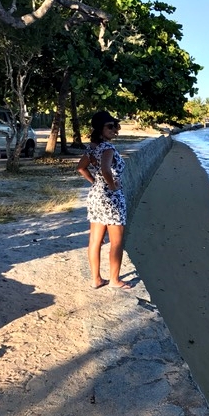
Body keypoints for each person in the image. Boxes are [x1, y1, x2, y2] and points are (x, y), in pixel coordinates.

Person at [77, 110, 131, 290]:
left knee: (95, 240)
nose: (114, 129)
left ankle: (96, 279)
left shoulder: (92, 148)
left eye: (115, 125)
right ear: (100, 129)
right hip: (111, 198)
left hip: (96, 196)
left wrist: (95, 181)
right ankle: (115, 280)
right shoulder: (107, 148)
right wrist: (112, 186)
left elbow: (81, 168)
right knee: (116, 241)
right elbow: (106, 170)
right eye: (110, 126)